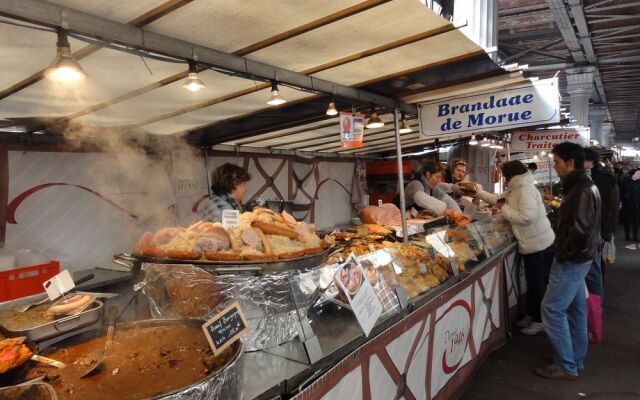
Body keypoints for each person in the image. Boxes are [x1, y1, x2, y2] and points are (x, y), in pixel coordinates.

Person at [536, 142, 601, 381]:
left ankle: (565, 364)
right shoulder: (584, 186)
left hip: (572, 259)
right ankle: (575, 357)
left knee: (552, 309)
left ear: (570, 162)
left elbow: (580, 231)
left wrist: (563, 251)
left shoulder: (581, 190)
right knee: (575, 308)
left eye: (557, 161)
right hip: (580, 257)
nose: (554, 166)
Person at [476, 161, 555, 335]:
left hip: (537, 243)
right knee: (533, 281)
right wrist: (479, 193)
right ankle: (532, 314)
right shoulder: (516, 188)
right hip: (532, 241)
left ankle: (539, 320)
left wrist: (504, 209)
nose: (502, 178)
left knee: (536, 282)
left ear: (510, 175)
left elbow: (527, 217)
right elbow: (499, 199)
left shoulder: (524, 189)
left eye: (503, 174)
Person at [583, 148, 614, 302]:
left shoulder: (599, 179)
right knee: (596, 270)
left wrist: (601, 232)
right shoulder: (597, 177)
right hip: (598, 231)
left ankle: (596, 306)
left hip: (597, 232)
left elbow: (604, 208)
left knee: (594, 271)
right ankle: (596, 303)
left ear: (590, 162)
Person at [621, 169, 640, 243]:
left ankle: (635, 237)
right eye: (638, 173)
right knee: (627, 221)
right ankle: (627, 236)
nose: (639, 174)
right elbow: (622, 191)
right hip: (627, 204)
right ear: (633, 174)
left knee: (636, 221)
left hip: (637, 204)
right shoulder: (626, 181)